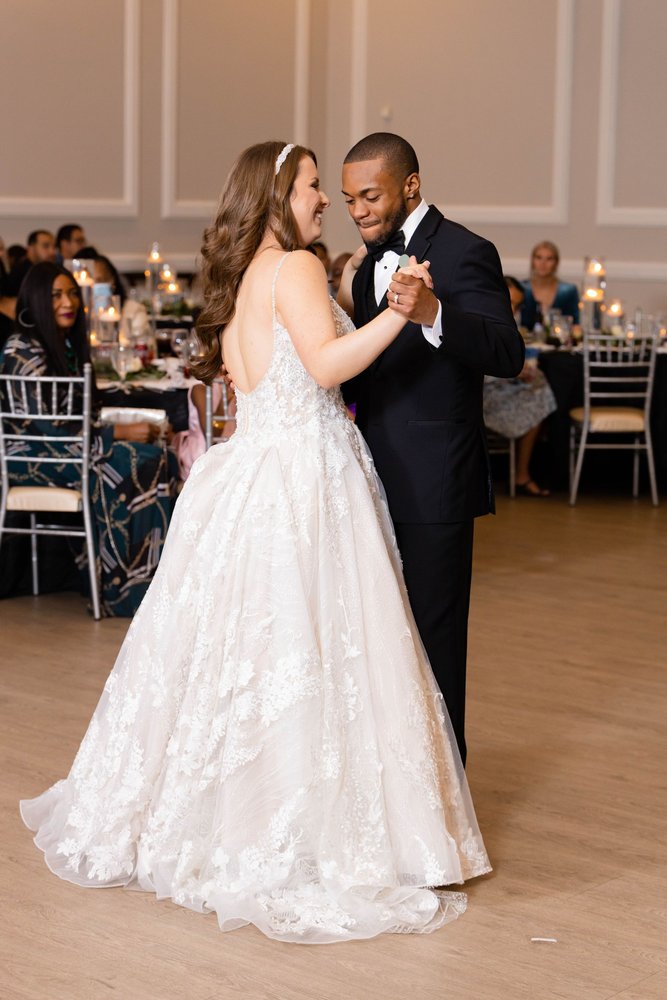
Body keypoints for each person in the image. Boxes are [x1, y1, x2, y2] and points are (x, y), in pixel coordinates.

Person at [20, 141, 490, 944]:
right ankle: (303, 826)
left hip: (248, 473)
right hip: (305, 475)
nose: (324, 201)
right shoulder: (296, 267)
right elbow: (326, 365)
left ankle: (226, 815)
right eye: (312, 187)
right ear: (277, 195)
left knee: (248, 656)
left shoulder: (248, 276)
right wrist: (393, 313)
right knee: (314, 649)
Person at [339, 132, 525, 765]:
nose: (358, 211)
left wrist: (436, 312)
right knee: (380, 639)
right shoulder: (366, 264)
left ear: (410, 185)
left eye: (370, 196)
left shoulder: (467, 250)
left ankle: (446, 794)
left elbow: (507, 352)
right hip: (365, 475)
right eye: (349, 200)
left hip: (435, 482)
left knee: (435, 643)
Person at [0, 262, 179, 616]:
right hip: (33, 456)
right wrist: (119, 433)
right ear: (35, 300)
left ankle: (153, 583)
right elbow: (47, 428)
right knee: (134, 464)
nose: (68, 302)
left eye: (71, 294)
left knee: (162, 458)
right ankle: (121, 590)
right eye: (56, 295)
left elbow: (82, 417)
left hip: (69, 451)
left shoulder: (63, 344)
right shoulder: (22, 349)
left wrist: (125, 429)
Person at [483, 277, 557, 496]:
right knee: (538, 398)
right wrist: (513, 370)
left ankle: (523, 473)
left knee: (539, 389)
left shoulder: (505, 321)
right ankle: (521, 474)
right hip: (480, 397)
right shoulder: (479, 319)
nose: (513, 309)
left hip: (500, 387)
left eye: (517, 305)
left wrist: (519, 370)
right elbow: (478, 367)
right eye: (510, 302)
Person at [521, 240, 580, 331]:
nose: (543, 263)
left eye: (549, 259)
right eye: (539, 257)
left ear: (556, 263)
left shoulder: (568, 291)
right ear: (532, 261)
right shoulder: (520, 289)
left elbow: (575, 324)